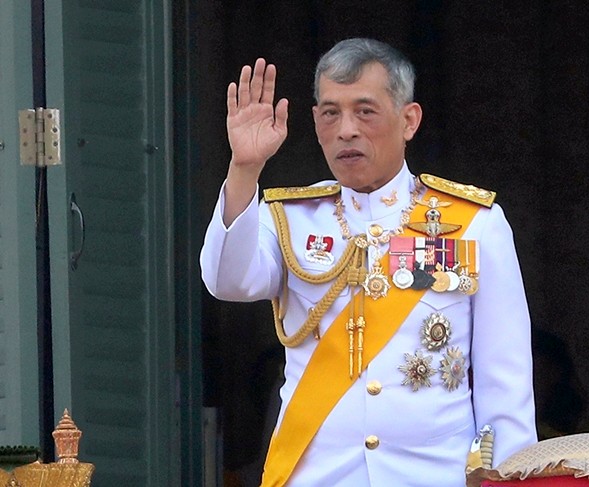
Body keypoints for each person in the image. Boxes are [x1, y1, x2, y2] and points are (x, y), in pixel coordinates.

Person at [200, 38, 537, 486]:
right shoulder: (287, 220)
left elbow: (505, 385)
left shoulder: (474, 224)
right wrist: (244, 169)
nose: (346, 130)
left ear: (409, 120)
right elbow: (227, 281)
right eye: (330, 113)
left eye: (365, 111)